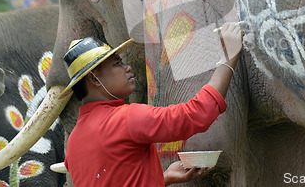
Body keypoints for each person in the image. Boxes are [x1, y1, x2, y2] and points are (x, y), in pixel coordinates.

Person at [61, 23, 243, 186]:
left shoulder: (73, 145)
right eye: (117, 63)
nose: (127, 67)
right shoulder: (126, 118)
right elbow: (195, 114)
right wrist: (228, 60)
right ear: (94, 78)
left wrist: (164, 178)